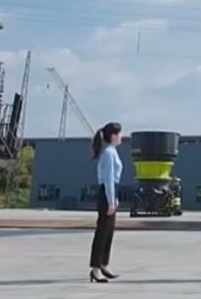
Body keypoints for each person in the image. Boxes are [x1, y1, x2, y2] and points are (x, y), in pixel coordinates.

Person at [89, 121, 123, 284]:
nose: (121, 136)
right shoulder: (109, 153)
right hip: (106, 192)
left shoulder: (112, 152)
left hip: (111, 192)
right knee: (102, 233)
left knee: (109, 232)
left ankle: (104, 264)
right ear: (113, 136)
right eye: (119, 133)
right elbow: (109, 179)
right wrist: (110, 201)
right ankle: (95, 269)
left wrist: (115, 199)